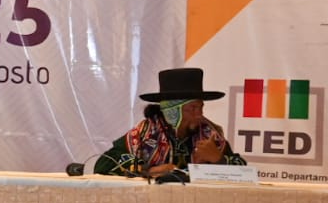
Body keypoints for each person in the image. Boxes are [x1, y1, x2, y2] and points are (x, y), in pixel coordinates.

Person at [94, 67, 246, 177]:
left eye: (201, 107)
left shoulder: (208, 134)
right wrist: (149, 171)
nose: (200, 114)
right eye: (193, 108)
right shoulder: (144, 134)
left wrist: (219, 159)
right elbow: (103, 165)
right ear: (173, 111)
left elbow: (244, 170)